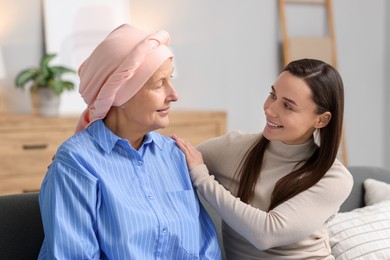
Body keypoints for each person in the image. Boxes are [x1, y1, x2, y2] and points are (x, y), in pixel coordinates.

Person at [38, 24, 221, 259]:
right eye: (159, 84)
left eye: (171, 79)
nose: (174, 95)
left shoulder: (174, 155)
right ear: (120, 94)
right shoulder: (75, 163)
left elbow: (206, 249)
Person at [173, 58, 353, 259]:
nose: (270, 109)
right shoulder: (233, 147)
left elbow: (266, 234)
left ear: (321, 119)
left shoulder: (334, 178)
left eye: (288, 106)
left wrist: (203, 179)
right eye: (272, 95)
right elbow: (172, 160)